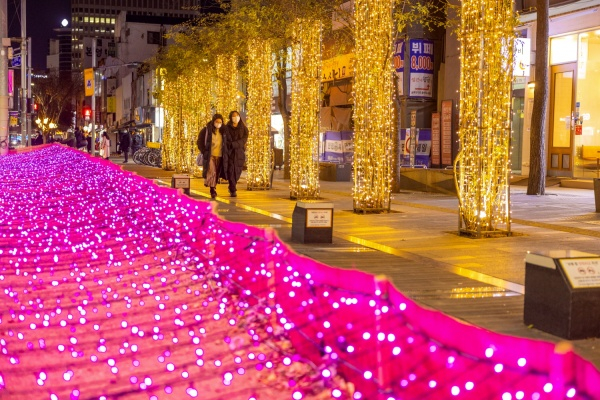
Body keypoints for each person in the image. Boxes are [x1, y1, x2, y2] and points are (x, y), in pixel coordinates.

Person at [198, 114, 229, 199]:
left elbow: (227, 142)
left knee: (217, 172)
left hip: (220, 155)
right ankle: (212, 190)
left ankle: (213, 185)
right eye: (216, 122)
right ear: (213, 121)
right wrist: (204, 151)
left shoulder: (224, 131)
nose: (218, 124)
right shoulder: (206, 130)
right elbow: (200, 141)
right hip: (210, 155)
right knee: (212, 171)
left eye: (220, 122)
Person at [224, 110, 248, 197]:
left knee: (237, 171)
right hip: (230, 153)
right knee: (231, 170)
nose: (235, 117)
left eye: (237, 115)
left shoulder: (243, 128)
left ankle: (232, 185)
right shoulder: (227, 128)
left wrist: (235, 144)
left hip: (239, 153)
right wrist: (230, 145)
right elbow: (226, 139)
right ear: (231, 118)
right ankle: (233, 189)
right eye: (233, 116)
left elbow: (244, 139)